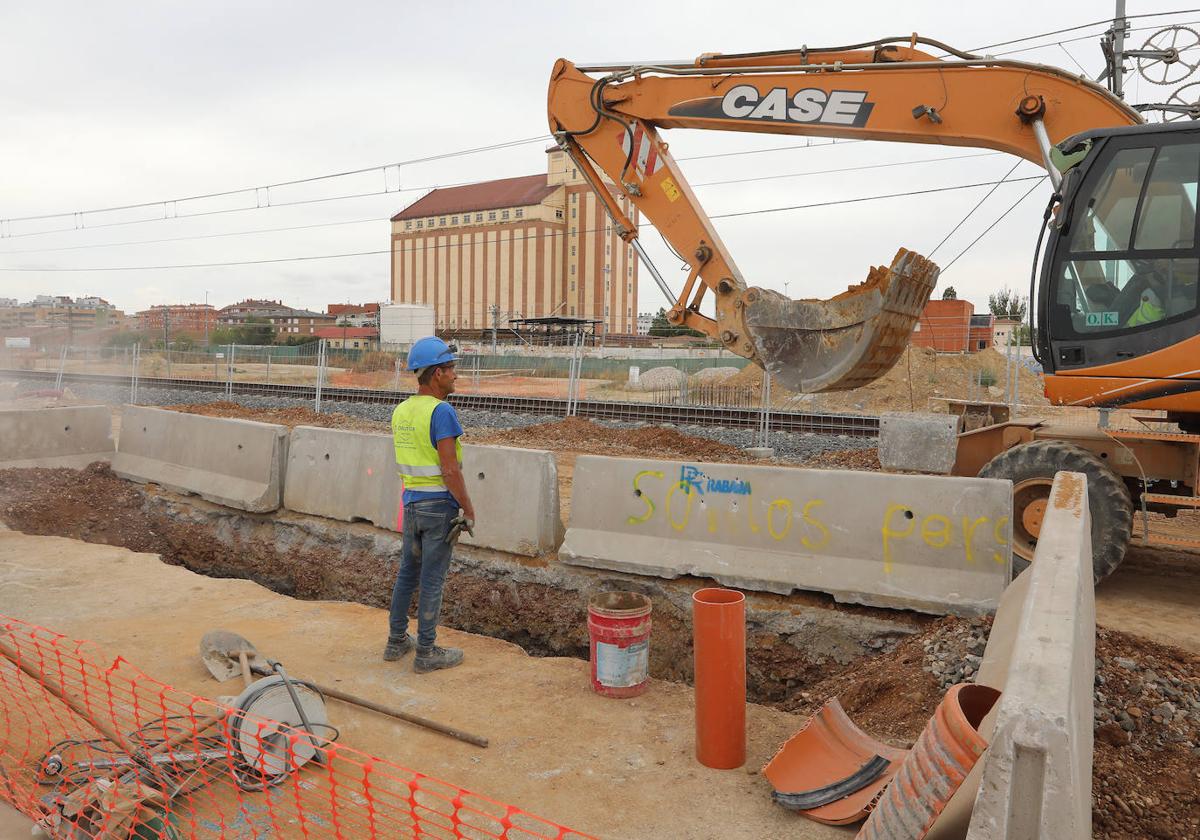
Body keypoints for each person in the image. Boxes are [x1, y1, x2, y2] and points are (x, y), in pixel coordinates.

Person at [385, 336, 476, 673]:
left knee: (407, 574)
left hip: (411, 504)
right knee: (433, 579)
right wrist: (468, 509)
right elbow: (449, 469)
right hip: (439, 508)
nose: (455, 375)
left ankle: (396, 642)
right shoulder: (442, 412)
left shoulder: (402, 410)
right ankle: (426, 651)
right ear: (436, 373)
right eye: (451, 369)